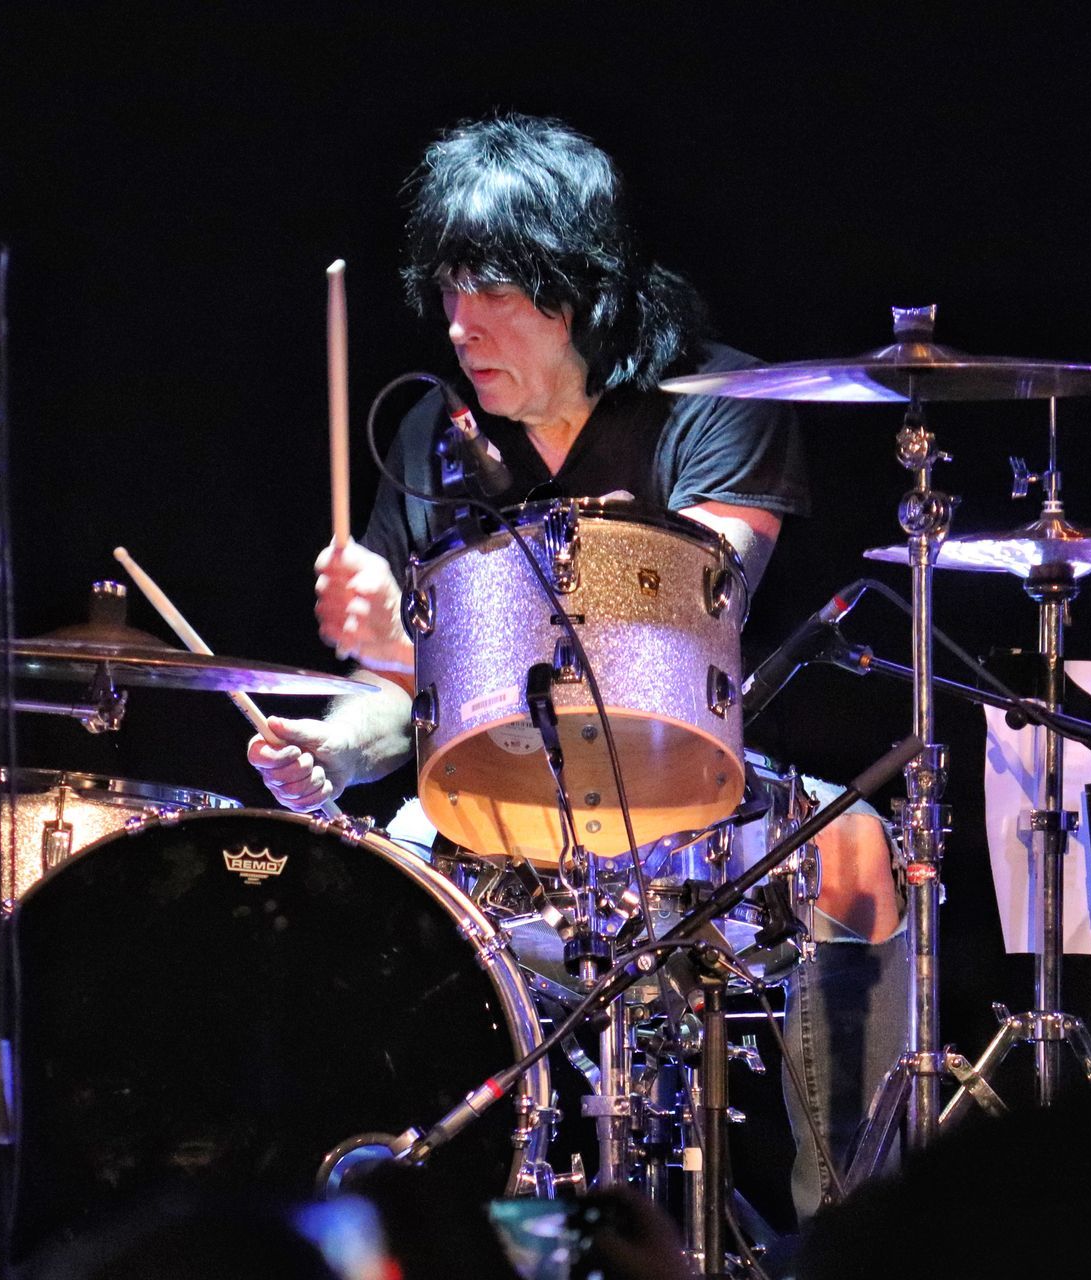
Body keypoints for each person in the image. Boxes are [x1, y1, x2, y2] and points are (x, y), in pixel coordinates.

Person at [246, 112, 902, 1224]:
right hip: (484, 807)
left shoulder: (715, 402)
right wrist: (334, 745)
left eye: (493, 292)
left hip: (676, 787)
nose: (460, 324)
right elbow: (398, 701)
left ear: (577, 289)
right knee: (343, 894)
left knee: (855, 848)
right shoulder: (432, 433)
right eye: (447, 291)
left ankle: (854, 1232)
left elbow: (680, 638)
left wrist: (407, 640)